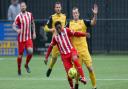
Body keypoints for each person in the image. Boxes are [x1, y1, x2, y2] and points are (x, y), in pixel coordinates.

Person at [44, 21, 90, 89]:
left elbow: (76, 33)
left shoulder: (66, 30)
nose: (59, 29)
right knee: (69, 74)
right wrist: (46, 57)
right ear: (56, 29)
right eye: (57, 28)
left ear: (61, 26)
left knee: (75, 59)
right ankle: (72, 87)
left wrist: (84, 34)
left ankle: (83, 78)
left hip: (71, 51)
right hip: (64, 57)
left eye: (59, 27)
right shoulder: (55, 38)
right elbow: (50, 47)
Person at [66, 4, 98, 89]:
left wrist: (95, 14)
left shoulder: (83, 22)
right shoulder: (69, 24)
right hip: (76, 53)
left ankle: (94, 87)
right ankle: (76, 84)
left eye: (76, 13)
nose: (75, 14)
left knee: (90, 69)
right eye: (74, 13)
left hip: (84, 51)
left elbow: (93, 23)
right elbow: (63, 32)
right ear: (72, 15)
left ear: (78, 13)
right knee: (76, 72)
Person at [12, 2, 36, 76]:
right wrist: (17, 30)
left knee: (31, 52)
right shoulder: (18, 17)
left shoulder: (30, 14)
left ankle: (26, 64)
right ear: (20, 7)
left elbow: (33, 23)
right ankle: (19, 69)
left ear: (26, 6)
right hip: (21, 39)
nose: (23, 7)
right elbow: (13, 26)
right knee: (20, 56)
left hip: (28, 38)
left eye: (24, 6)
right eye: (21, 6)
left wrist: (34, 32)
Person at [44, 2, 66, 77]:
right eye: (57, 7)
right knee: (54, 58)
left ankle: (70, 70)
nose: (58, 8)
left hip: (63, 41)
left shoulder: (64, 16)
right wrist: (52, 30)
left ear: (61, 8)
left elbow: (66, 27)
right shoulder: (52, 17)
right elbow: (45, 28)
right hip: (56, 41)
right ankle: (50, 68)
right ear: (54, 8)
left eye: (59, 7)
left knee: (66, 57)